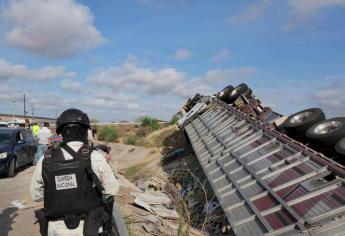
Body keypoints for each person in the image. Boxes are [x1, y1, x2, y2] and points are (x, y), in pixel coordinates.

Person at [30, 108, 119, 236]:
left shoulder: (46, 159)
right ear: (84, 130)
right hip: (90, 227)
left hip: (55, 229)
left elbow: (35, 195)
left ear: (61, 132)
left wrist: (60, 194)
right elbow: (112, 190)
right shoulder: (95, 156)